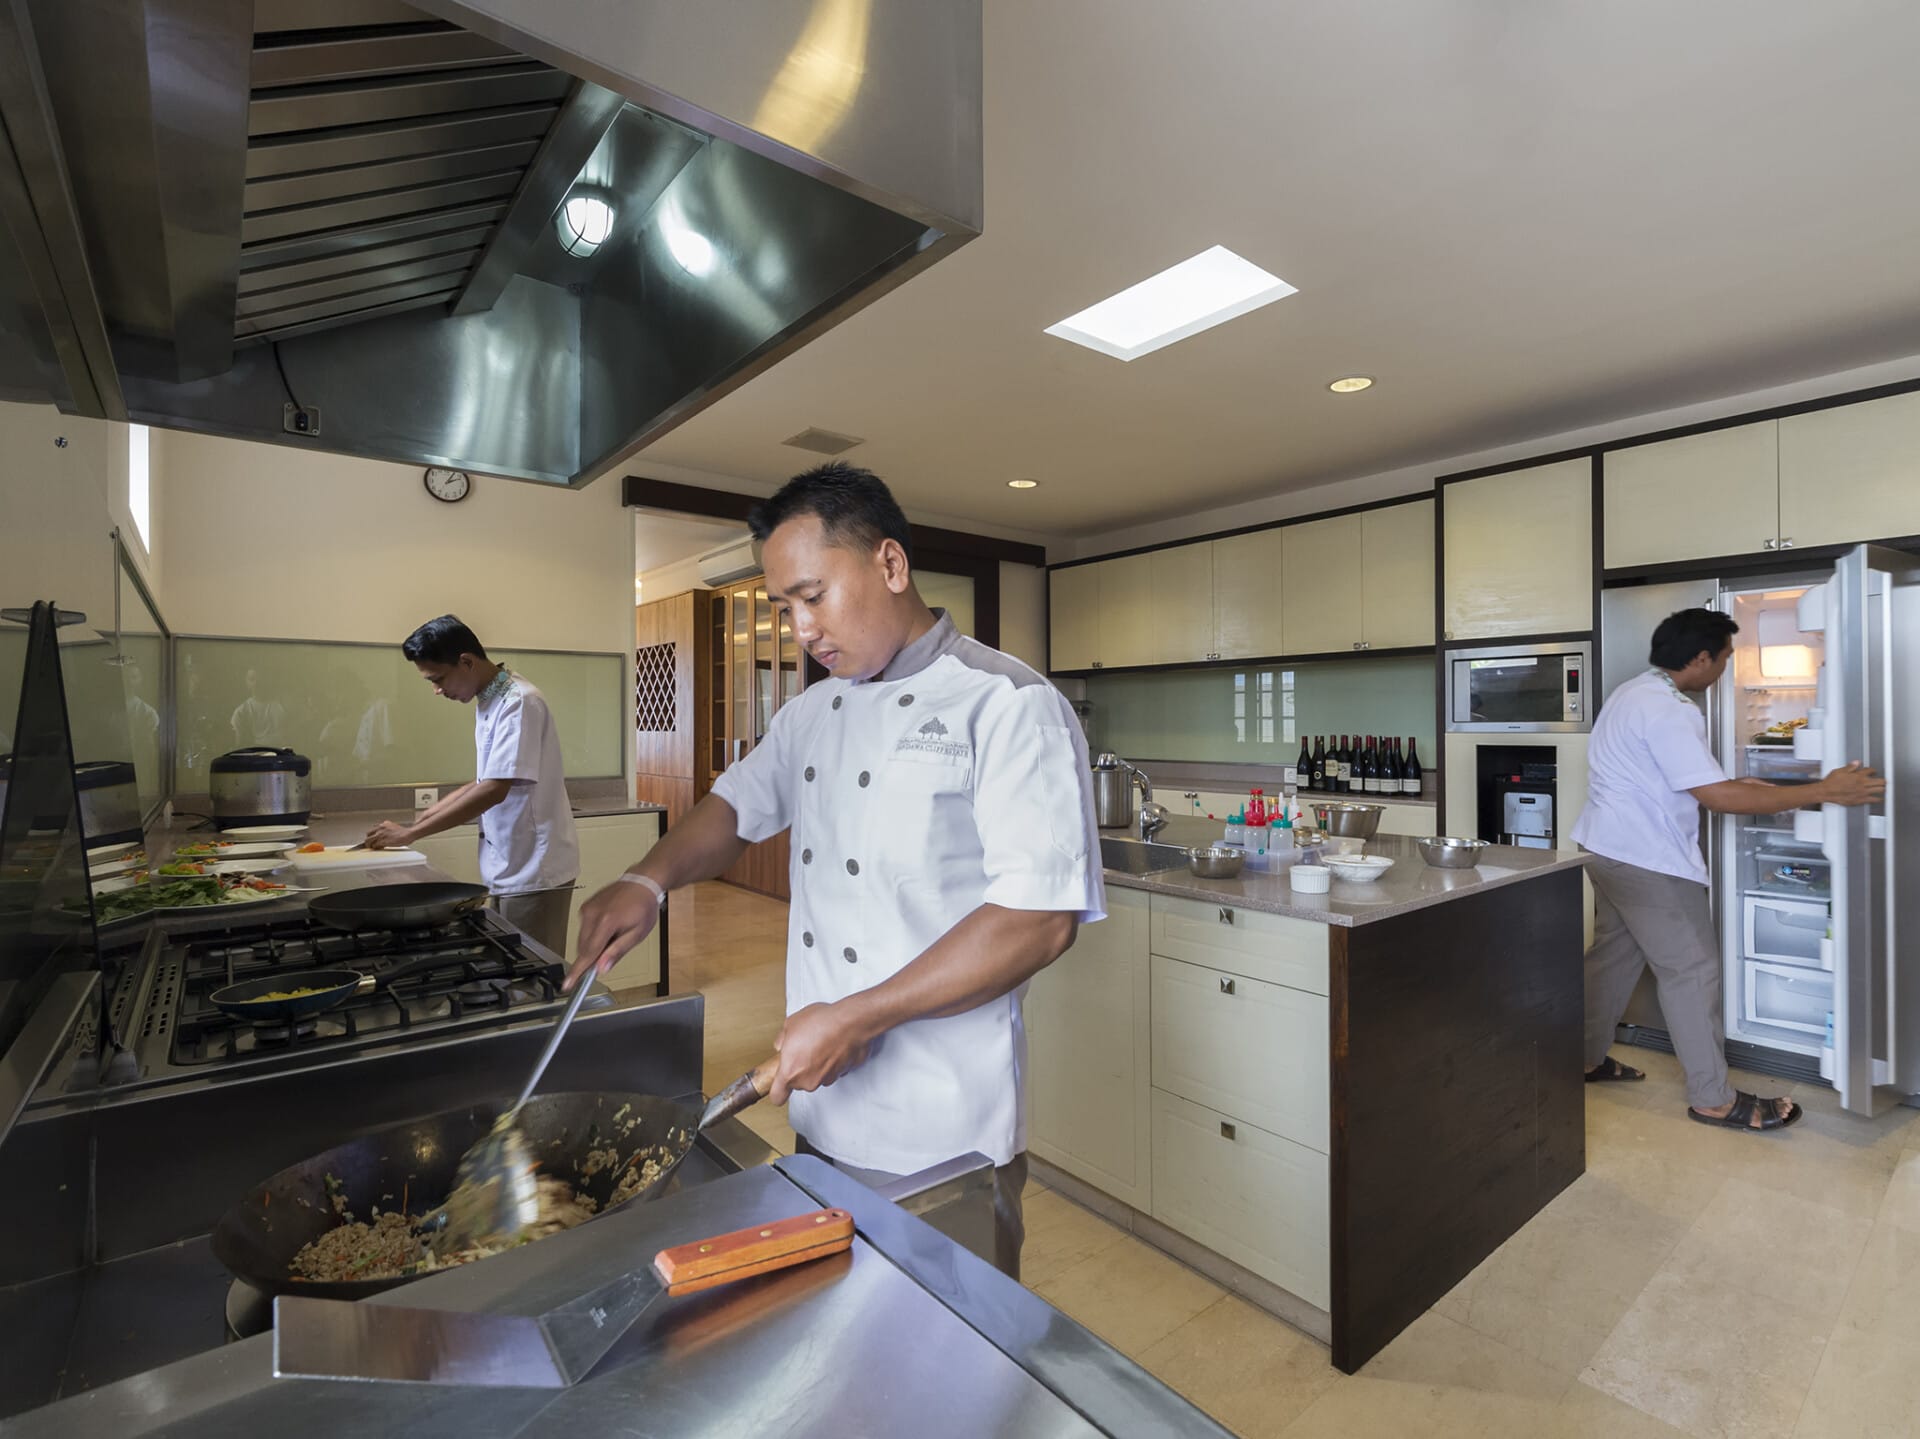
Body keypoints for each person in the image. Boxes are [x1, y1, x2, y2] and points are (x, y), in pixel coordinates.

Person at [570, 462, 1103, 1277]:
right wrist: (648, 879)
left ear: (890, 563)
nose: (801, 629)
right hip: (820, 1108)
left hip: (941, 1129)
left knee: (954, 1344)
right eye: (785, 606)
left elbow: (1038, 919)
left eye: (813, 596)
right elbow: (735, 807)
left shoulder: (1006, 702)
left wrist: (858, 1016)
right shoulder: (811, 711)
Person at [1575, 607, 1883, 1132]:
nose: (1725, 669)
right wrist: (1826, 790)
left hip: (1605, 847)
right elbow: (1718, 798)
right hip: (1648, 858)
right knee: (1692, 972)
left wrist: (1777, 790)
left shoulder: (1634, 692)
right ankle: (1713, 1099)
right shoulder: (1671, 710)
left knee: (1614, 958)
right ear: (1700, 659)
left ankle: (1579, 1057)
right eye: (1724, 659)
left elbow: (1691, 780)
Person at [365, 616, 580, 957]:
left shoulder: (519, 701)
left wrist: (411, 834)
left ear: (466, 662)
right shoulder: (491, 699)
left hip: (535, 870)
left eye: (438, 679)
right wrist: (429, 814)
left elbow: (494, 788)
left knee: (533, 970)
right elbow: (488, 778)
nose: (437, 690)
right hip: (509, 864)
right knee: (510, 964)